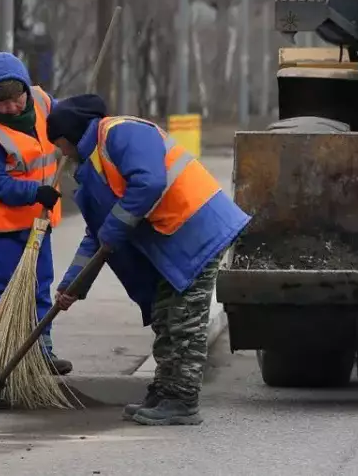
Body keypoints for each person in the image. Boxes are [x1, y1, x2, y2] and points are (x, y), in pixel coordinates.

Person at [45, 94, 252, 427]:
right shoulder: (92, 168)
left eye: (61, 144)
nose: (62, 152)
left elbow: (150, 180)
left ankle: (183, 402)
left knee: (183, 322)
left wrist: (114, 227)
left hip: (197, 228)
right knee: (165, 316)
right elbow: (97, 235)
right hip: (173, 241)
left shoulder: (121, 133)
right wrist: (73, 285)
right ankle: (166, 391)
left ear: (72, 135)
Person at [0, 52, 71, 375]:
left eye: (16, 98)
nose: (12, 107)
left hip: (39, 222)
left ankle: (42, 351)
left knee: (39, 286)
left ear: (25, 89)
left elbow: (66, 120)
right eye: (2, 102)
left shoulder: (40, 100)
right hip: (2, 227)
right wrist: (35, 193)